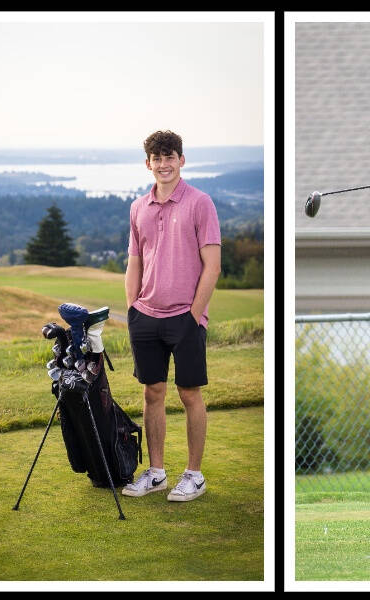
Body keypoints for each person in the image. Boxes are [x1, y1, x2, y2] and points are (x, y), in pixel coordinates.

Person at [122, 130, 221, 502]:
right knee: (153, 393)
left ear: (181, 160)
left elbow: (212, 266)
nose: (164, 164)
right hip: (145, 316)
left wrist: (194, 315)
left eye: (170, 157)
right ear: (148, 163)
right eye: (157, 158)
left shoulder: (200, 203)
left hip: (185, 318)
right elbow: (135, 259)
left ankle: (194, 475)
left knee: (189, 393)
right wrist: (132, 306)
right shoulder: (137, 207)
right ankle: (157, 472)